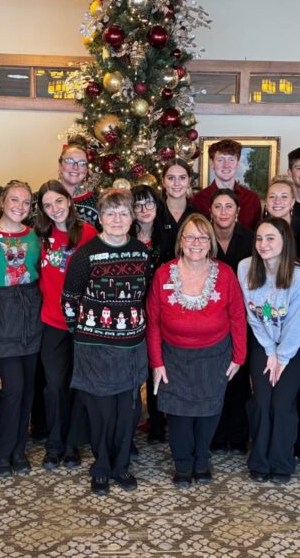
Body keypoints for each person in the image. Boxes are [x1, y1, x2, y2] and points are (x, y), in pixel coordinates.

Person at [147, 214, 246, 489]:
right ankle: (182, 464)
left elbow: (238, 316)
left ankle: (201, 461)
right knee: (178, 414)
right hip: (173, 356)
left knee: (208, 411)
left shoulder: (225, 274)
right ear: (181, 241)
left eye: (202, 237)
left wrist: (239, 356)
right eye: (190, 236)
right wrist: (156, 362)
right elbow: (153, 321)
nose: (196, 242)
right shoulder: (163, 274)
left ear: (210, 242)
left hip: (214, 355)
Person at [61, 189, 149, 496]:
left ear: (132, 217)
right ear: (100, 218)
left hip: (131, 346)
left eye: (123, 213)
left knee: (127, 411)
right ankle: (101, 467)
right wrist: (84, 333)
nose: (117, 219)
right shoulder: (86, 254)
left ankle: (121, 465)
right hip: (94, 347)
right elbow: (69, 300)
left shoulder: (141, 253)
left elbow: (144, 298)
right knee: (100, 411)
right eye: (110, 214)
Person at [239, 217, 300, 485]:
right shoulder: (245, 268)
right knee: (261, 400)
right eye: (259, 238)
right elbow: (252, 315)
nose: (263, 244)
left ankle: (281, 461)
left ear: (285, 242)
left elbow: (298, 322)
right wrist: (269, 350)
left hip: (294, 346)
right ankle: (259, 460)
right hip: (263, 342)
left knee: (281, 402)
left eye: (270, 238)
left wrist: (282, 357)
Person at [0, 180, 43, 477]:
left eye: (26, 202)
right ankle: (2, 452)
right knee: (12, 388)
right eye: (14, 200)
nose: (20, 206)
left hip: (31, 316)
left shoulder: (35, 237)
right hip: (1, 318)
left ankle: (19, 450)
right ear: (2, 201)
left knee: (28, 389)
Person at [34, 180, 98, 471]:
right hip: (52, 323)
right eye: (47, 205)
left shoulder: (87, 234)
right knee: (54, 386)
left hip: (82, 325)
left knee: (77, 385)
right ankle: (54, 443)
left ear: (68, 201)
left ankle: (73, 445)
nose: (54, 209)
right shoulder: (39, 235)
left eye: (58, 202)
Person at [264, 175, 300, 462]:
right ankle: (272, 434)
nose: (277, 201)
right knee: (273, 388)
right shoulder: (260, 233)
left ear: (292, 202)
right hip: (269, 321)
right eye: (272, 196)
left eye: (283, 197)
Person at [208, 189, 255, 454]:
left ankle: (238, 434)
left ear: (237, 212)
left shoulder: (250, 239)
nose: (223, 211)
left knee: (239, 378)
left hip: (243, 319)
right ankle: (215, 433)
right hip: (210, 319)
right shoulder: (202, 239)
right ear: (210, 211)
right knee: (215, 378)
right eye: (218, 206)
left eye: (229, 206)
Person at [132, 184, 169, 443]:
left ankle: (157, 424)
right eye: (138, 204)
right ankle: (132, 422)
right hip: (130, 312)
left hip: (160, 312)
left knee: (158, 365)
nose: (144, 209)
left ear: (157, 207)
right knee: (134, 371)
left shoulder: (169, 237)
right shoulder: (122, 236)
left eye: (149, 204)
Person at [192, 139, 263, 230]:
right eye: (220, 160)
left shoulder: (252, 200)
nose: (226, 165)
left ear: (237, 163)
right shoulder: (199, 200)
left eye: (231, 159)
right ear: (212, 163)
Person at [160, 159, 198, 262]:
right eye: (171, 178)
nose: (177, 183)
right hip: (158, 275)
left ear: (189, 181)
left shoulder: (197, 216)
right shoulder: (154, 214)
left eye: (182, 178)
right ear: (163, 181)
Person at [56, 143, 100, 227]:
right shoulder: (40, 201)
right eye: (69, 161)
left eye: (82, 163)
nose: (75, 167)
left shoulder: (98, 204)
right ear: (60, 165)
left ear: (86, 169)